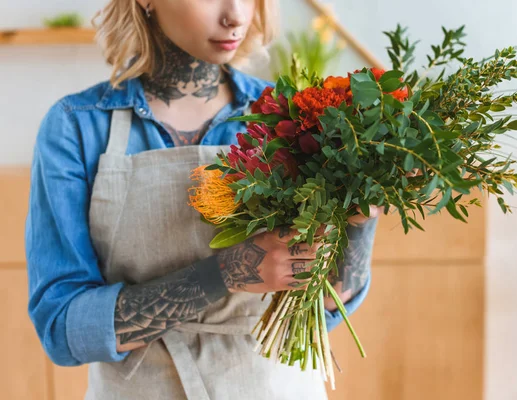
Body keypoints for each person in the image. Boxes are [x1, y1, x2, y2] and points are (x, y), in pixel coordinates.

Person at [25, 0, 376, 398]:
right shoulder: (76, 126)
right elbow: (63, 329)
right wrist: (226, 273)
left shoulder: (289, 116)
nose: (236, 16)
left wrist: (360, 218)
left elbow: (325, 307)